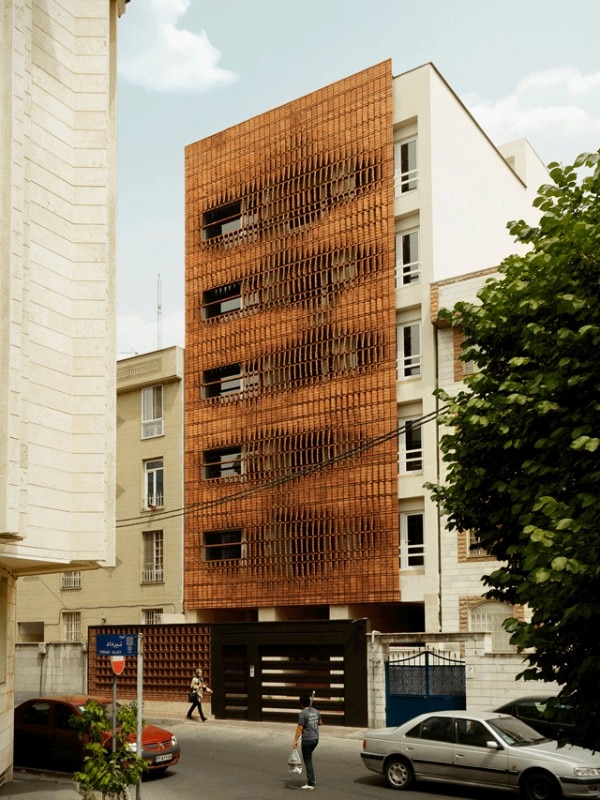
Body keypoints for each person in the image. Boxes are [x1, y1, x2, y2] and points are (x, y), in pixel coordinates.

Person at [292, 693, 322, 791]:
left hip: (307, 740)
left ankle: (311, 783)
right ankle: (311, 778)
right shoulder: (316, 711)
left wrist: (295, 740)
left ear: (301, 703)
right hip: (316, 739)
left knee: (308, 760)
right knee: (309, 759)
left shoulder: (302, 714)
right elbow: (320, 723)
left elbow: (300, 728)